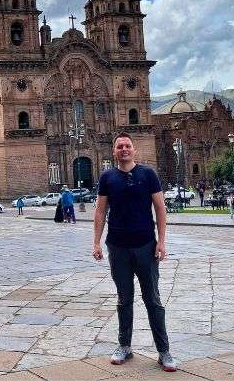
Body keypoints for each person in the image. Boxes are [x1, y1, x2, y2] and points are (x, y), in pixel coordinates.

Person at [92, 132, 176, 372]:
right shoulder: (107, 177)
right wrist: (96, 243)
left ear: (134, 150)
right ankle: (124, 346)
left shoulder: (148, 174)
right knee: (123, 299)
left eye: (127, 146)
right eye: (120, 146)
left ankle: (164, 351)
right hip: (117, 246)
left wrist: (161, 241)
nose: (124, 149)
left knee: (153, 300)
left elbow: (160, 208)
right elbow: (100, 212)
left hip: (145, 246)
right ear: (114, 151)